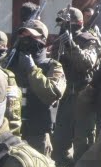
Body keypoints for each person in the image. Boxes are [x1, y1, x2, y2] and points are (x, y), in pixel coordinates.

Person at [52, 7, 99, 167]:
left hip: (83, 95)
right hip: (65, 96)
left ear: (78, 23)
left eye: (68, 23)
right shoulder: (59, 41)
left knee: (83, 143)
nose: (64, 26)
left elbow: (87, 63)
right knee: (59, 142)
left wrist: (72, 45)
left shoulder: (89, 40)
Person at [9, 19, 65, 155]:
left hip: (37, 134)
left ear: (43, 40)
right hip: (11, 132)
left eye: (31, 36)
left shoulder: (52, 66)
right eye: (23, 35)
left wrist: (32, 70)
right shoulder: (10, 62)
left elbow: (52, 93)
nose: (26, 39)